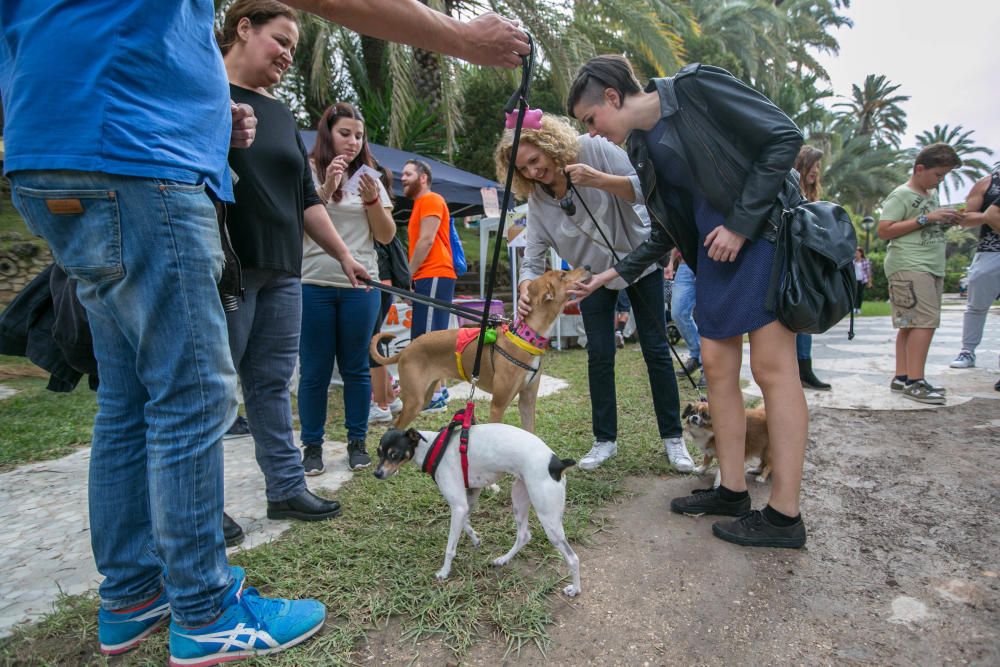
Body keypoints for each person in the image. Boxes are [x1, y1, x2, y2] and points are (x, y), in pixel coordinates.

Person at [1, 0, 528, 660]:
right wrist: (459, 37)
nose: (284, 53)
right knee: (192, 394)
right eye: (277, 39)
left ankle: (133, 592)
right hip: (139, 159)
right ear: (242, 27)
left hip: (50, 153)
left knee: (129, 399)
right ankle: (204, 608)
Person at [568, 56, 809, 548]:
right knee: (718, 373)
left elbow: (784, 137)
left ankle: (785, 516)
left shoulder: (697, 86)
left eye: (590, 120)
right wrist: (612, 275)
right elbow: (667, 228)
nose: (592, 134)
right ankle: (732, 489)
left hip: (761, 234)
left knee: (772, 371)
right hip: (713, 256)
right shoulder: (641, 146)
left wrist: (741, 224)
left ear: (612, 97)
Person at [495, 114, 693, 473]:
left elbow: (645, 184)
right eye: (524, 169)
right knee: (599, 354)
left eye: (535, 161)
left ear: (550, 146)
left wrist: (598, 180)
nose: (534, 173)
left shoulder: (595, 150)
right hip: (589, 279)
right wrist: (526, 286)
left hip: (639, 263)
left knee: (656, 350)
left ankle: (673, 439)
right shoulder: (539, 202)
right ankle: (605, 440)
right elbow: (533, 257)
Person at [297, 102, 396, 475]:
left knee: (356, 367)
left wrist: (372, 199)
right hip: (314, 282)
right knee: (315, 370)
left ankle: (357, 442)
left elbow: (385, 236)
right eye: (345, 133)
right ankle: (312, 446)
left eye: (359, 135)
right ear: (327, 133)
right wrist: (326, 188)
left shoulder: (371, 177)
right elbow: (299, 221)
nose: (353, 142)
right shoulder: (306, 169)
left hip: (361, 285)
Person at [877, 143, 963, 405]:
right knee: (924, 322)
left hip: (929, 264)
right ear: (920, 169)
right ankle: (916, 381)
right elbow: (884, 230)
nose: (940, 181)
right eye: (938, 175)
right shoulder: (901, 194)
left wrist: (947, 219)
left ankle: (903, 376)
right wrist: (927, 218)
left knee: (911, 323)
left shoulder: (929, 195)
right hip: (910, 264)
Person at [401, 159, 456, 412]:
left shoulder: (431, 199)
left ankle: (433, 397)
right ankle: (438, 391)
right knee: (427, 336)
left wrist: (407, 276)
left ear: (423, 177)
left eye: (408, 174)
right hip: (428, 275)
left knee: (427, 339)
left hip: (433, 272)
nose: (402, 178)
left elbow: (426, 240)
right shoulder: (419, 205)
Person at [949, 168, 1000, 371]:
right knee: (976, 304)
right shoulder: (987, 183)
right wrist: (988, 217)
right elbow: (965, 219)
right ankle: (967, 350)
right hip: (990, 250)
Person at [792, 146, 831, 391]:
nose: (816, 171)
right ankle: (797, 369)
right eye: (813, 165)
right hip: (791, 262)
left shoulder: (813, 195)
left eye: (818, 167)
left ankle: (804, 368)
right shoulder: (790, 188)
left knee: (804, 318)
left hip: (807, 264)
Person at [665, 249, 702, 379]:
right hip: (685, 265)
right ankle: (696, 355)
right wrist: (670, 262)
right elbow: (678, 235)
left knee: (705, 316)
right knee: (678, 312)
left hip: (709, 263)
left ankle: (707, 366)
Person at [853, 247, 873, 314]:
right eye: (855, 253)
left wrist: (869, 282)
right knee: (854, 294)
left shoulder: (865, 261)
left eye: (857, 253)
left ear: (861, 253)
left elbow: (868, 272)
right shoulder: (853, 261)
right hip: (855, 280)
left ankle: (858, 308)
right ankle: (854, 308)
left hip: (862, 280)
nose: (856, 254)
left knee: (860, 294)